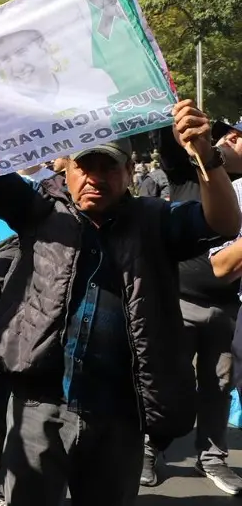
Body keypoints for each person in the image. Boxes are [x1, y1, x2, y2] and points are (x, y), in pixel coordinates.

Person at [0, 54, 241, 506]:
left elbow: (223, 222)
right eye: (86, 166)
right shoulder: (39, 211)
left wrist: (207, 158)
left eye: (109, 167)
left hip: (120, 412)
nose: (96, 178)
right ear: (66, 168)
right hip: (37, 408)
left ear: (129, 172)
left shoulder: (155, 221)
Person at [138, 122, 242, 493]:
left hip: (226, 307)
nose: (227, 140)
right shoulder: (187, 172)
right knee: (163, 380)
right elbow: (170, 134)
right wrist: (181, 117)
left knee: (219, 384)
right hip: (176, 300)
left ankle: (212, 457)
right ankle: (148, 449)